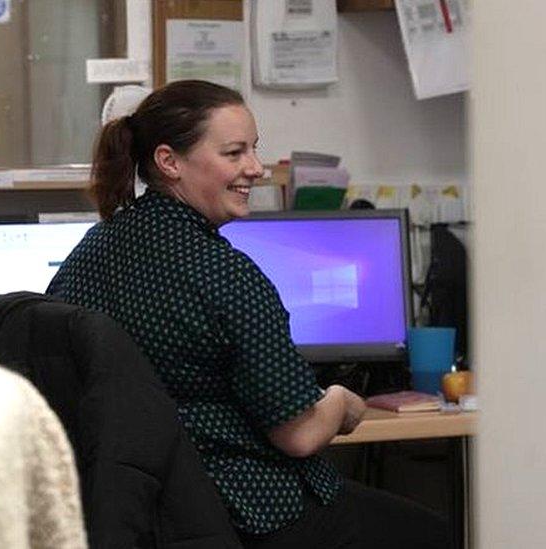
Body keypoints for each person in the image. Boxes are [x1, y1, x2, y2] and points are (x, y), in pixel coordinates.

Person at [47, 80, 449, 548]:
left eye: (253, 150)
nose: (255, 169)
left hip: (135, 511)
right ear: (168, 161)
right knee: (439, 534)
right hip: (246, 509)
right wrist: (341, 400)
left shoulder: (91, 249)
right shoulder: (224, 274)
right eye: (234, 153)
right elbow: (299, 434)